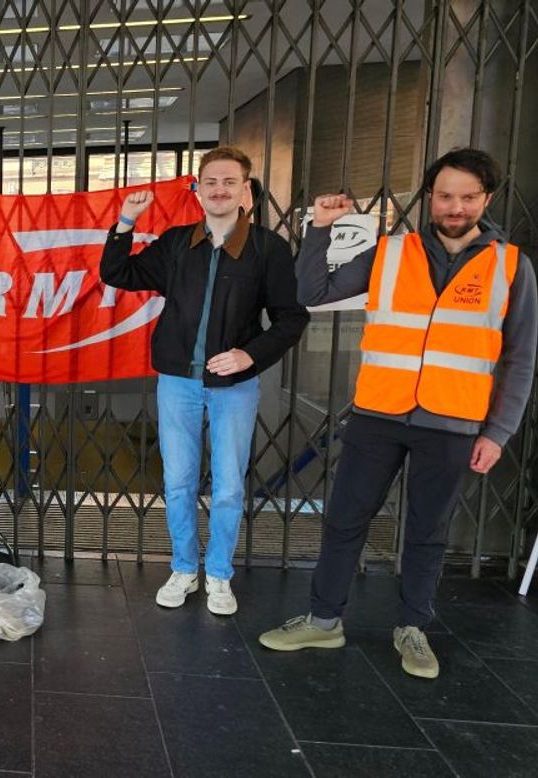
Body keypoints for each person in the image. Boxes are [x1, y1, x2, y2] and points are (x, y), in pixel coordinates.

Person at [259, 148, 537, 679]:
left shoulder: (510, 266)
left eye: (468, 197)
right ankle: (323, 620)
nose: (455, 207)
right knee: (345, 519)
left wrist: (498, 432)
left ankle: (412, 628)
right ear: (430, 197)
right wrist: (320, 230)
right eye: (446, 196)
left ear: (487, 198)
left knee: (428, 530)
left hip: (453, 421)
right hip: (378, 413)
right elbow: (310, 292)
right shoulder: (389, 253)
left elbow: (521, 357)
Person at [100, 146, 309, 616]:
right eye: (211, 182)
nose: (219, 190)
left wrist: (249, 355)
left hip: (234, 387)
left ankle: (218, 574)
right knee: (178, 482)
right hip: (177, 382)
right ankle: (183, 568)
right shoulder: (177, 243)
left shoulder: (267, 249)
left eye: (229, 182)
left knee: (230, 486)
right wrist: (126, 222)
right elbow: (117, 272)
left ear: (245, 190)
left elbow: (291, 318)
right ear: (197, 190)